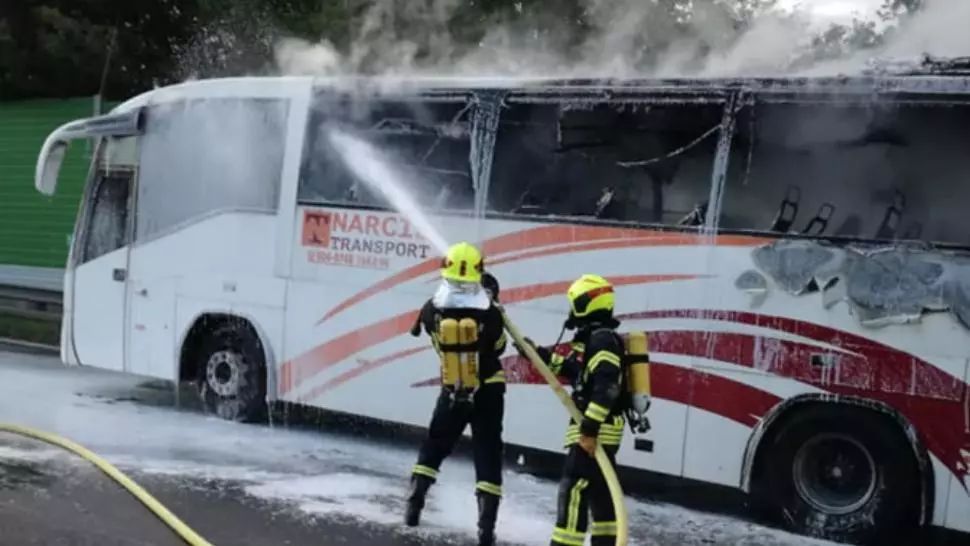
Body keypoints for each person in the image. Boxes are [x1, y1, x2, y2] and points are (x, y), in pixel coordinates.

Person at [405, 242, 508, 546]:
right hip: (488, 388)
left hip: (453, 389)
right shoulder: (490, 313)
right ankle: (486, 527)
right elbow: (500, 346)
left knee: (436, 444)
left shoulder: (431, 309)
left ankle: (415, 502)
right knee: (488, 451)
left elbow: (436, 344)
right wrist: (494, 302)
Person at [517, 274, 629, 546]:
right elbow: (579, 373)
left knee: (574, 490)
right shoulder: (599, 338)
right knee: (601, 493)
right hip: (603, 427)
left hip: (597, 429)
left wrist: (589, 430)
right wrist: (539, 355)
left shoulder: (601, 341)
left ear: (584, 304)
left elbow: (606, 388)